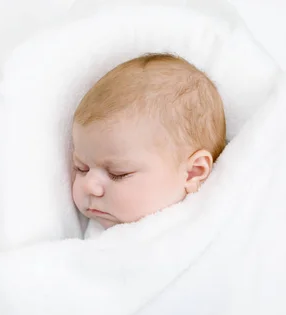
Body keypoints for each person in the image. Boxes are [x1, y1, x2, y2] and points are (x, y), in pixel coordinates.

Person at [71, 53, 226, 236]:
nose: (89, 185)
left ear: (193, 172)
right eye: (81, 168)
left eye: (118, 174)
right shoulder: (90, 234)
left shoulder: (206, 226)